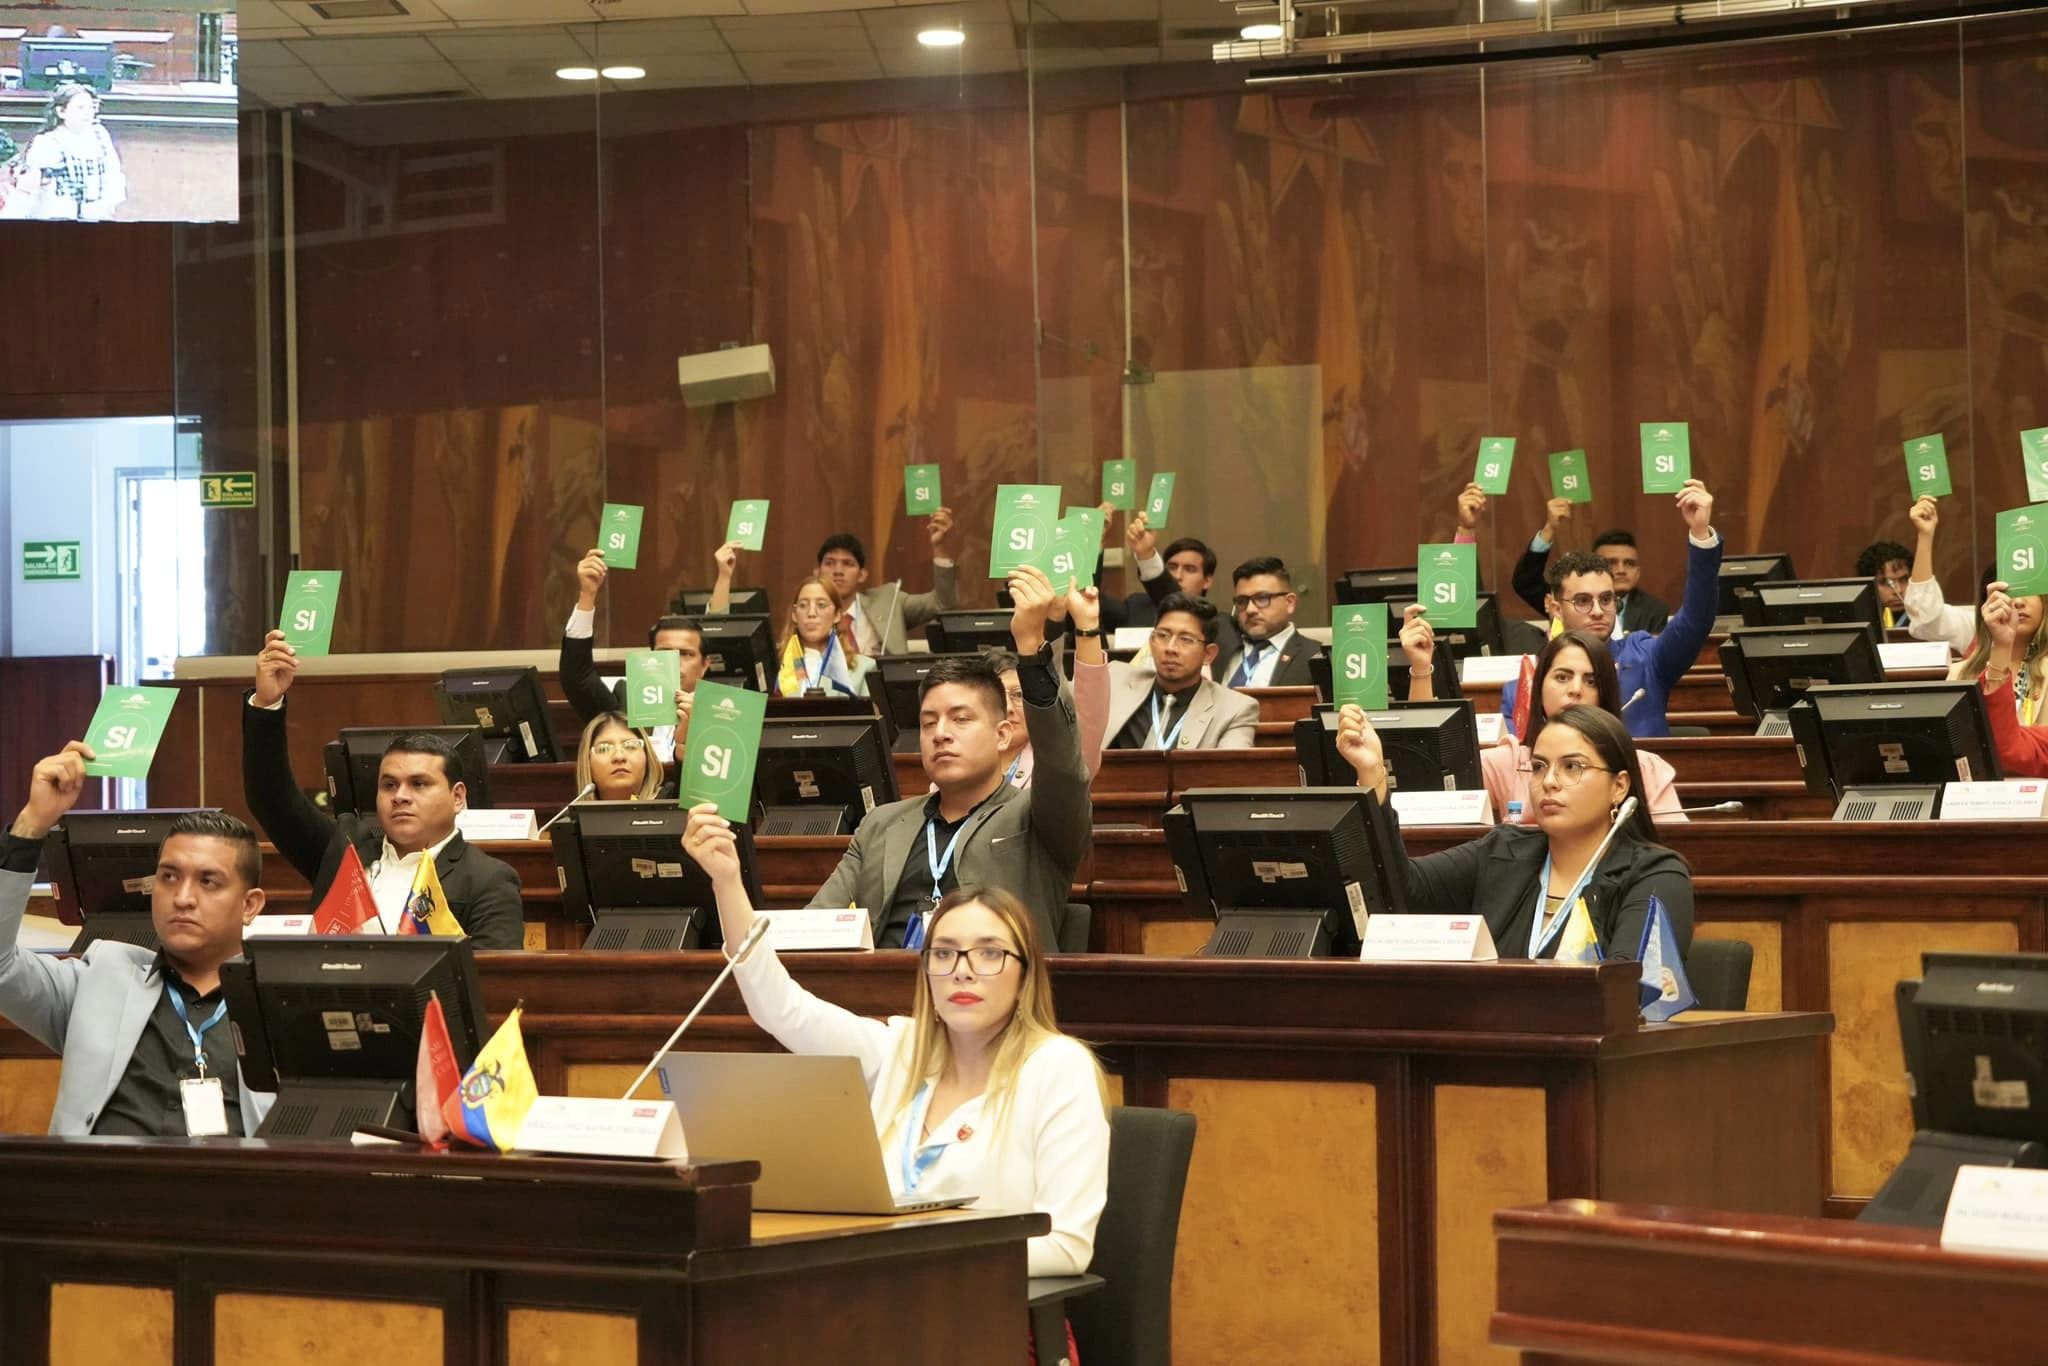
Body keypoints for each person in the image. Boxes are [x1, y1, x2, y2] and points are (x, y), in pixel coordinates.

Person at [683, 817, 1110, 1289]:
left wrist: (911, 1260)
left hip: (989, 1317)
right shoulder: (899, 1051)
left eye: (989, 953)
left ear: (1026, 974)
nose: (962, 971)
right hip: (879, 1305)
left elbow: (1068, 1245)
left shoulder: (1057, 1069)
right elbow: (780, 1008)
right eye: (944, 953)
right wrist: (727, 881)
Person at [807, 566, 1091, 949]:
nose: (940, 733)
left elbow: (1062, 762)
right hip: (883, 995)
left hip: (994, 996)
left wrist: (1031, 646)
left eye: (960, 719)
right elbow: (814, 927)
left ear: (1002, 734)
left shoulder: (1038, 818)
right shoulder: (881, 825)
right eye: (928, 723)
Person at [0, 742, 271, 1135]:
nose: (182, 898)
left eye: (208, 881)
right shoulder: (98, 978)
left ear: (250, 905)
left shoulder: (277, 1000)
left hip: (231, 1191)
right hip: (101, 1187)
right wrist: (32, 823)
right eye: (169, 877)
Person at [1338, 702, 1694, 959]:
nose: (1549, 782)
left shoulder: (1655, 875)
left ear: (1619, 786)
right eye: (1538, 767)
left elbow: (1627, 991)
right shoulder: (1503, 851)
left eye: (1572, 767)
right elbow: (1405, 890)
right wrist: (1374, 779)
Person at [242, 630, 524, 948]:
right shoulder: (344, 849)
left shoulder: (488, 879)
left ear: (457, 797)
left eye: (419, 784)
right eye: (389, 784)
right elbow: (271, 798)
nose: (400, 795)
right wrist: (266, 704)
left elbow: (490, 980)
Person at [1501, 480, 1722, 739]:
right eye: (1583, 601)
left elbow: (1696, 620)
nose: (1597, 611)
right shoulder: (1523, 688)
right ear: (1555, 608)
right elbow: (1522, 768)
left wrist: (1701, 535)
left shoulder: (1645, 658)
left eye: (1606, 599)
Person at [1483, 632, 1682, 824]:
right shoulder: (1504, 763)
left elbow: (1674, 844)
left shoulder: (1644, 768)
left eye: (1591, 682)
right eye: (1562, 677)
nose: (1576, 690)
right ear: (1540, 687)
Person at [559, 547, 702, 764]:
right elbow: (577, 678)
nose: (675, 663)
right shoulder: (627, 702)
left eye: (686, 654)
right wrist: (587, 595)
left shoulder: (720, 710)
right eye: (665, 654)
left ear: (705, 664)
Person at [1101, 594, 1259, 750]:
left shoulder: (1235, 709)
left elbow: (1228, 773)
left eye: (1186, 639)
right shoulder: (1115, 679)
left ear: (1208, 654)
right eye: (1163, 636)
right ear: (1151, 641)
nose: (1170, 648)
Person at [1509, 500, 1671, 636]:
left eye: (1629, 563)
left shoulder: (1654, 610)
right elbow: (1526, 582)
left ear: (1638, 573)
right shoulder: (1569, 599)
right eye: (1611, 562)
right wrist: (1549, 529)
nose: (1621, 570)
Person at [812, 514, 961, 656]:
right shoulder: (807, 613)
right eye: (830, 563)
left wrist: (940, 549)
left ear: (862, 575)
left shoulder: (888, 601)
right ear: (817, 573)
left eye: (847, 564)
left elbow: (943, 603)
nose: (838, 571)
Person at [3, 84, 124, 222]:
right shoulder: (47, 142)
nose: (88, 113)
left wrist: (109, 204)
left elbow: (114, 173)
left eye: (91, 107)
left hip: (96, 214)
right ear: (61, 112)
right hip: (57, 216)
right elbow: (27, 188)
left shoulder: (100, 135)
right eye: (80, 108)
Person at [1973, 584, 2048, 773]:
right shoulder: (1961, 673)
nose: (2017, 602)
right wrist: (2002, 645)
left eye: (2028, 591)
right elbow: (2010, 749)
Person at [1219, 556, 1323, 688]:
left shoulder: (1315, 657)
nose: (1250, 610)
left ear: (1289, 603)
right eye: (1242, 601)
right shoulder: (1221, 648)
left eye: (1262, 598)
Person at [768, 576, 876, 699]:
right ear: (794, 615)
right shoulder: (774, 666)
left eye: (821, 605)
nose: (811, 613)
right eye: (803, 605)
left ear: (837, 615)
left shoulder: (863, 669)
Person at [575, 712, 669, 802]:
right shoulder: (572, 818)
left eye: (630, 746)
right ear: (587, 762)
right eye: (604, 748)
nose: (619, 756)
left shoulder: (674, 806)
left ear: (647, 757)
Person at [1857, 538, 1915, 631]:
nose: (1898, 590)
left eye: (1904, 580)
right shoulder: (1859, 623)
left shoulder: (1926, 619)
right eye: (1885, 583)